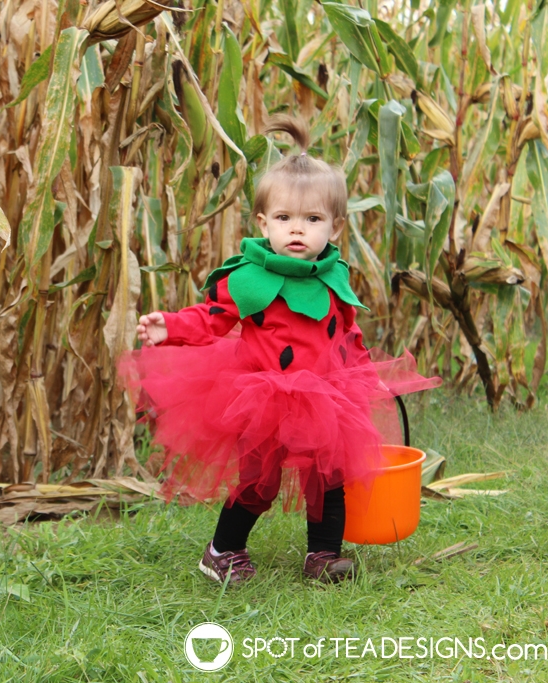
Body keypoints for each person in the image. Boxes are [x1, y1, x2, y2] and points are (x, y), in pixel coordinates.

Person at [122, 116, 440, 585]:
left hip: (326, 398)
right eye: (284, 218)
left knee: (328, 477)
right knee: (259, 482)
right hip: (265, 399)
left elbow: (345, 333)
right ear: (263, 223)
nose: (297, 230)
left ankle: (324, 556)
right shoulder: (250, 278)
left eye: (312, 220)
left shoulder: (333, 278)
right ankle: (222, 549)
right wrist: (168, 326)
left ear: (334, 227)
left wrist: (363, 369)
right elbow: (211, 317)